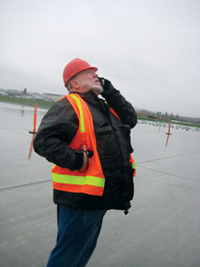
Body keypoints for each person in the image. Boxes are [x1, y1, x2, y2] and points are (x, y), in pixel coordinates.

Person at [33, 58, 137, 267]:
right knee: (68, 256)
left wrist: (109, 91)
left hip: (99, 199)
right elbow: (44, 141)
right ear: (75, 84)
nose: (95, 74)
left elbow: (130, 118)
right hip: (79, 200)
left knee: (81, 254)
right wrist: (78, 160)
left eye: (96, 72)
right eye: (88, 72)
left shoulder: (102, 108)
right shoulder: (69, 106)